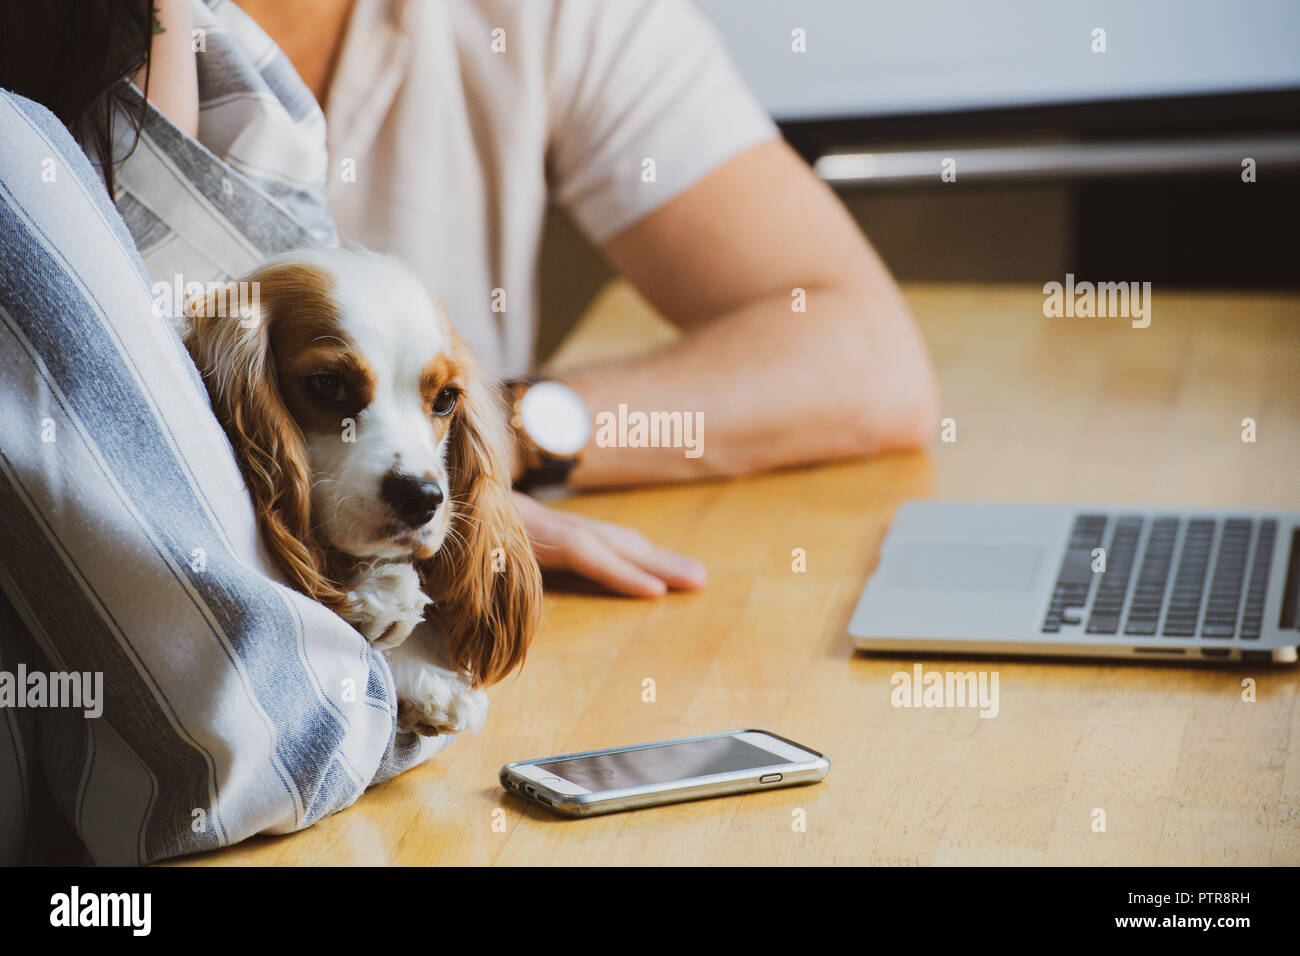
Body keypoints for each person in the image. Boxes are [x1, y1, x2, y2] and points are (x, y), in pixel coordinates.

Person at [0, 0, 935, 863]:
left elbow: (870, 356)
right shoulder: (87, 65)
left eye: (441, 404)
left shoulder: (505, 27)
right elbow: (246, 740)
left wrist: (499, 444)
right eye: (329, 389)